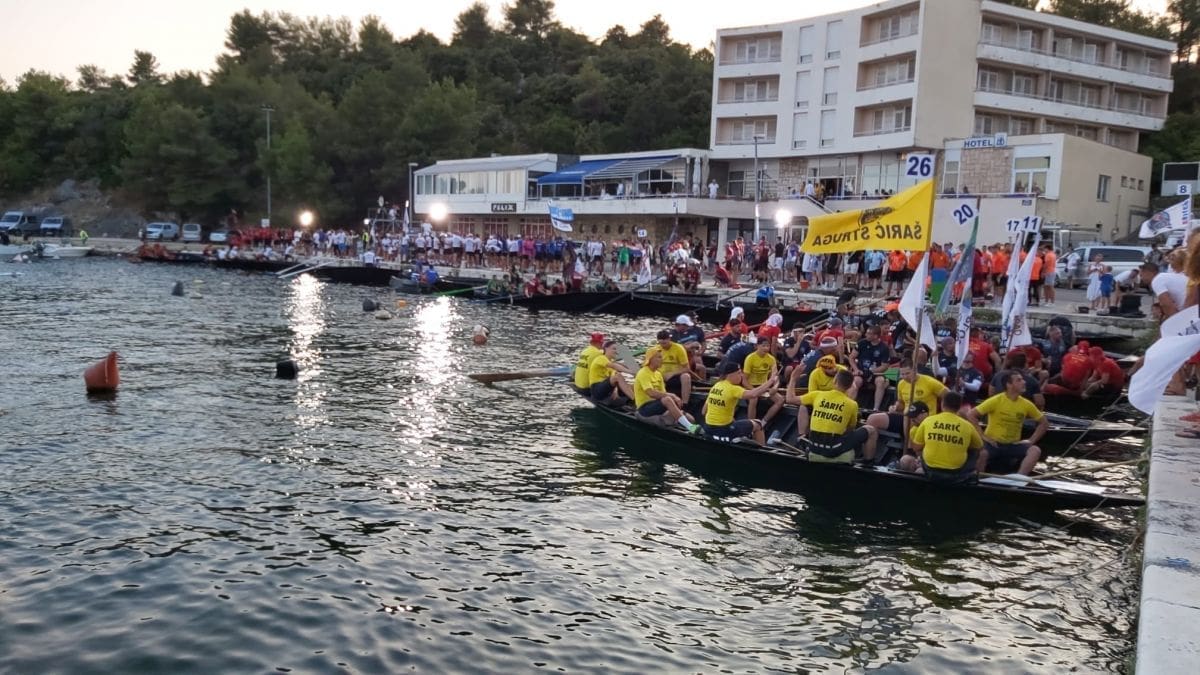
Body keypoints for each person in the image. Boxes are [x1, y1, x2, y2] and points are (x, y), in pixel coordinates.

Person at [969, 369, 1048, 475]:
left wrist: (1031, 440)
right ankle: (978, 478)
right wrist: (982, 436)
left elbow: (1044, 423)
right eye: (1019, 380)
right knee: (982, 453)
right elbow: (971, 415)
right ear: (1009, 385)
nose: (1024, 382)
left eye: (1022, 380)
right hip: (993, 444)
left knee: (1035, 450)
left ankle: (1019, 478)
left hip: (1013, 445)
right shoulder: (996, 400)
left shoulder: (1026, 404)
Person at [898, 391, 986, 483]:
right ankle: (971, 476)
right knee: (975, 451)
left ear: (942, 404)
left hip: (930, 471)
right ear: (959, 407)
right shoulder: (967, 426)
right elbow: (980, 446)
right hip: (956, 474)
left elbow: (916, 447)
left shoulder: (928, 421)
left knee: (916, 451)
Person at [793, 370, 878, 464]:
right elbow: (851, 428)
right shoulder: (852, 404)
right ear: (850, 386)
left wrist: (793, 379)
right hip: (833, 450)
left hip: (813, 447)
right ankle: (869, 462)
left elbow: (790, 399)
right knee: (871, 430)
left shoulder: (817, 395)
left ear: (834, 381)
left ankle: (802, 439)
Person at [866, 360, 947, 443]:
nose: (905, 377)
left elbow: (948, 396)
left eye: (907, 373)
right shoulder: (901, 384)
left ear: (915, 370)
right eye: (902, 374)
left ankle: (909, 447)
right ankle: (869, 450)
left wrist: (942, 414)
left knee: (909, 417)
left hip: (924, 418)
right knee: (873, 419)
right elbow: (901, 403)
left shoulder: (929, 382)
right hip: (906, 414)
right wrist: (895, 407)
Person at [702, 362, 778, 444]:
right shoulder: (733, 389)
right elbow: (753, 394)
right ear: (730, 375)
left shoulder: (716, 385)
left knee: (734, 421)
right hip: (724, 429)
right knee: (758, 424)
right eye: (739, 373)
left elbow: (704, 411)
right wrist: (771, 381)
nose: (741, 375)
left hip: (708, 428)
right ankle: (761, 450)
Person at [634, 350, 700, 432]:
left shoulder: (658, 374)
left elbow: (663, 393)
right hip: (644, 408)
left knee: (691, 418)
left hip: (656, 405)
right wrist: (672, 395)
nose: (662, 359)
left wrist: (674, 399)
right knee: (668, 399)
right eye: (659, 357)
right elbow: (651, 393)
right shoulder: (643, 373)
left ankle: (692, 428)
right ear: (651, 359)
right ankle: (690, 427)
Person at [743, 338, 785, 426]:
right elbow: (744, 380)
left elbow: (775, 376)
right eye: (763, 346)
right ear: (757, 346)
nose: (766, 348)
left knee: (780, 400)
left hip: (764, 386)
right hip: (751, 386)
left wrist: (775, 387)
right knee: (754, 399)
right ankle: (751, 424)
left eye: (768, 346)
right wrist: (754, 391)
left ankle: (763, 422)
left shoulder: (771, 359)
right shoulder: (750, 358)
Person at [851, 325, 892, 411]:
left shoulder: (884, 348)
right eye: (866, 333)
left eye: (869, 333)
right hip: (861, 372)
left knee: (880, 381)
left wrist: (872, 371)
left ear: (876, 336)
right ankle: (850, 405)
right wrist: (856, 369)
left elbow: (885, 366)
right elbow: (851, 357)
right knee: (856, 381)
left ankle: (875, 408)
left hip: (876, 373)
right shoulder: (862, 343)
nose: (866, 335)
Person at [645, 329, 692, 401]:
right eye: (661, 343)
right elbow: (648, 367)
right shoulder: (654, 350)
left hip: (675, 376)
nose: (663, 345)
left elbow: (687, 368)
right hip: (660, 376)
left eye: (665, 343)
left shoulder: (679, 348)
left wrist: (671, 373)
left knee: (686, 376)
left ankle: (685, 403)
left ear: (669, 339)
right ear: (658, 341)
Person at [587, 340, 636, 404]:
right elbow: (614, 366)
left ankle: (640, 400)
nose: (616, 351)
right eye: (614, 349)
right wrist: (631, 372)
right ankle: (635, 400)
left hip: (607, 389)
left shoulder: (611, 361)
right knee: (618, 376)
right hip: (596, 389)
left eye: (617, 349)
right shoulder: (601, 358)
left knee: (633, 386)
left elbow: (614, 379)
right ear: (606, 349)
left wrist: (615, 390)